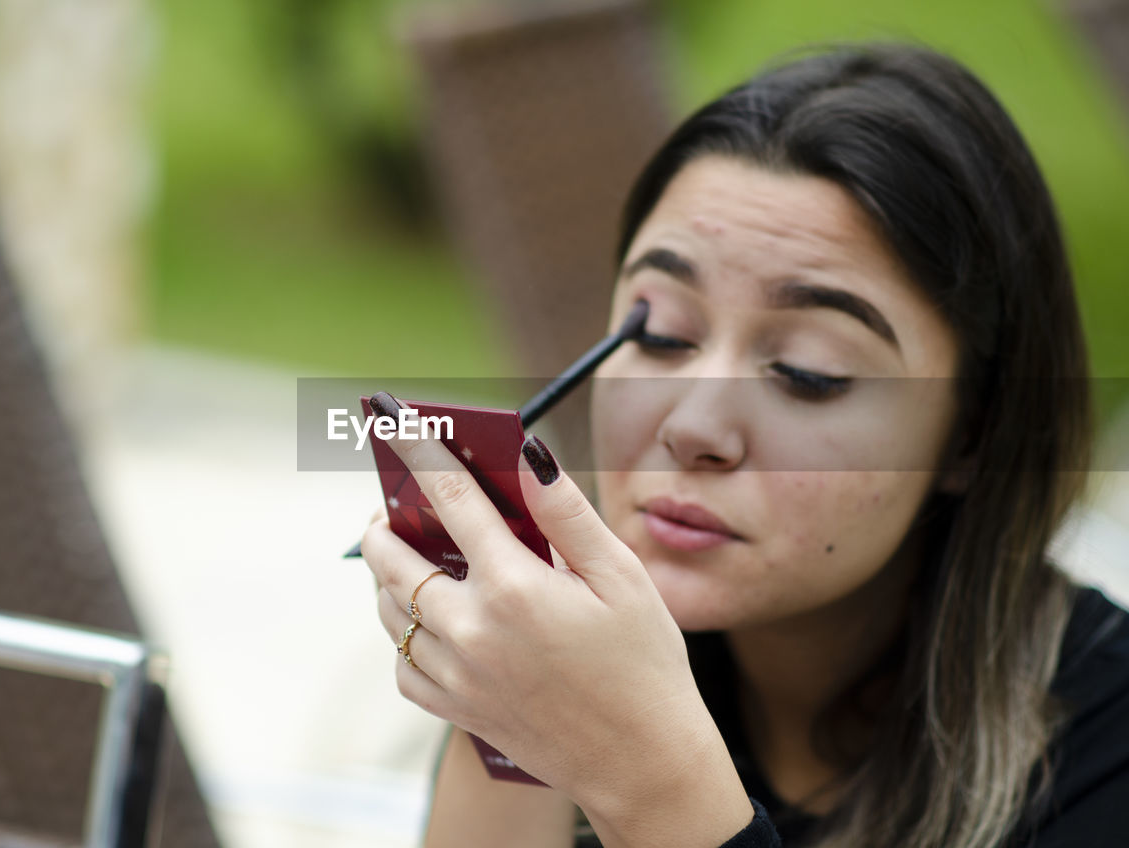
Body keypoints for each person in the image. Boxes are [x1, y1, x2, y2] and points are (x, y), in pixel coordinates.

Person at [359, 43, 1129, 847]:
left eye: (808, 371)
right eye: (658, 333)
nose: (692, 426)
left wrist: (653, 780)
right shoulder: (572, 664)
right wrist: (506, 721)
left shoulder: (1103, 754)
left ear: (973, 434)